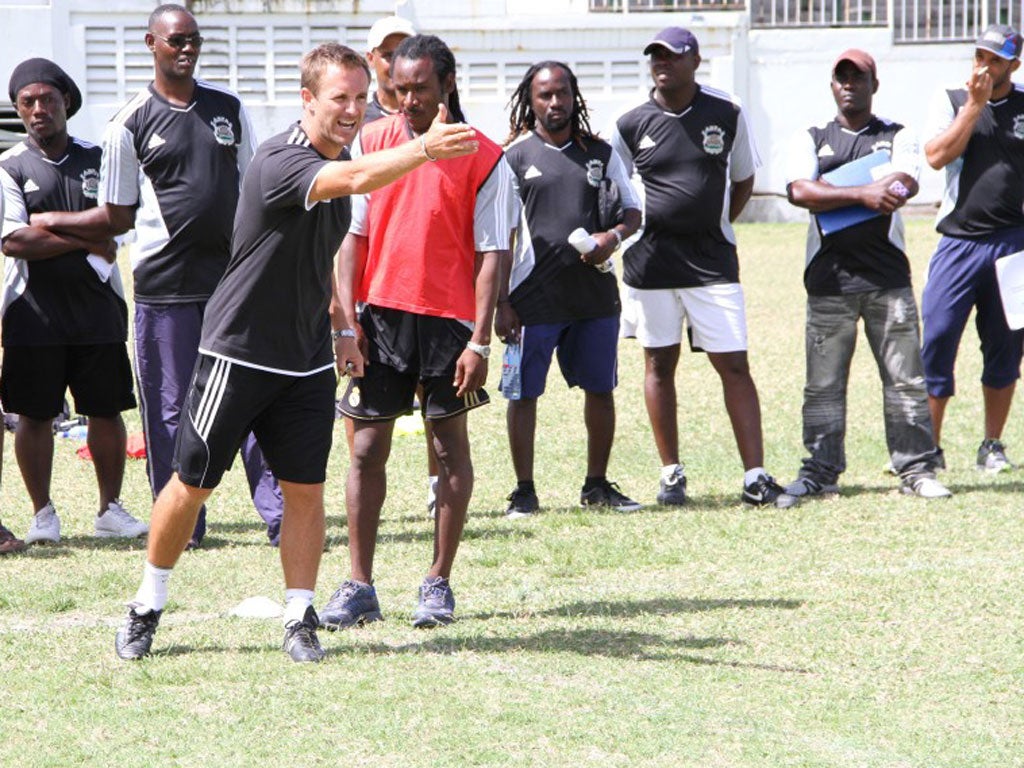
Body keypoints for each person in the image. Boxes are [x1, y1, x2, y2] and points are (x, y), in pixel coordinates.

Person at [112, 42, 480, 663]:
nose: (354, 110)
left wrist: (340, 326)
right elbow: (359, 179)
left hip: (306, 360)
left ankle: (298, 615)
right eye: (341, 98)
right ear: (307, 99)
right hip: (237, 354)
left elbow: (326, 253)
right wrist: (424, 149)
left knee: (305, 491)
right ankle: (147, 605)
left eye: (364, 98)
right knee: (192, 484)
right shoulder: (282, 160)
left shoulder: (339, 155)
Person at [325, 34, 511, 630]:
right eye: (399, 89)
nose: (406, 101)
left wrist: (479, 340)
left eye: (420, 89)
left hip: (449, 326)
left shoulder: (483, 154)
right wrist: (346, 322)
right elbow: (350, 237)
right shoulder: (371, 143)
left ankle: (438, 581)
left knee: (447, 449)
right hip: (378, 319)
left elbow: (492, 254)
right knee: (364, 449)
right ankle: (359, 585)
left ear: (447, 85)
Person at [98, 4, 283, 546]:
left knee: (252, 397)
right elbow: (117, 213)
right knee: (170, 409)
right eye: (175, 40)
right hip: (164, 290)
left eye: (194, 40)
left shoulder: (227, 107)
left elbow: (256, 188)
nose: (186, 49)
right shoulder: (129, 122)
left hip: (232, 285)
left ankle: (279, 515)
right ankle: (182, 524)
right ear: (151, 43)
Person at [608, 27, 795, 509]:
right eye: (655, 57)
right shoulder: (630, 122)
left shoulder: (726, 111)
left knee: (734, 364)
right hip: (649, 266)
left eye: (672, 56)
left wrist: (710, 225)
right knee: (658, 364)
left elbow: (744, 179)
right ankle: (671, 474)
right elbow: (616, 188)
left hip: (712, 263)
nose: (662, 64)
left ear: (695, 60)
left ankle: (755, 475)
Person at [782, 50, 950, 499]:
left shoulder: (898, 134)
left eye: (858, 77)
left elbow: (903, 184)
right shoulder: (812, 136)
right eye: (841, 78)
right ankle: (820, 471)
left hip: (888, 280)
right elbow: (799, 189)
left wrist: (834, 190)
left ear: (875, 85)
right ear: (832, 86)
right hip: (828, 281)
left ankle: (916, 470)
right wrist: (863, 193)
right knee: (822, 386)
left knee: (906, 381)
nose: (849, 85)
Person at [0, 58, 147, 544]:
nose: (38, 109)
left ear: (67, 102)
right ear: (19, 109)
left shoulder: (99, 158)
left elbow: (117, 221)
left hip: (96, 308)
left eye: (48, 99)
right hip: (32, 313)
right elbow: (15, 241)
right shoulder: (9, 166)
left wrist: (49, 223)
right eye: (28, 102)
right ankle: (43, 514)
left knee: (106, 409)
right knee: (35, 414)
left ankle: (109, 510)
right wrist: (83, 238)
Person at [498, 61, 642, 518]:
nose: (554, 103)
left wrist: (610, 238)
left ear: (574, 96)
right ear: (531, 100)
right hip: (532, 299)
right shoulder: (514, 158)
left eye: (562, 93)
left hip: (593, 298)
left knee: (600, 390)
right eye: (544, 95)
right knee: (523, 395)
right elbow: (496, 235)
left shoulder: (599, 153)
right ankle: (524, 491)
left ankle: (596, 485)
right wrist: (501, 301)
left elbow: (632, 212)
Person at [342, 14, 442, 518]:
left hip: (432, 295)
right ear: (373, 60)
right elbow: (349, 230)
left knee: (436, 406)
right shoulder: (357, 125)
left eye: (405, 52)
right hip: (376, 296)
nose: (394, 63)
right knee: (362, 410)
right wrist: (346, 311)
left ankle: (433, 483)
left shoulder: (439, 122)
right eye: (387, 53)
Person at [922, 23, 1024, 473]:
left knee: (1005, 347)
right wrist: (974, 107)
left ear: (1014, 66)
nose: (984, 65)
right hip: (959, 243)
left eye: (995, 59)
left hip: (1012, 245)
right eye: (980, 55)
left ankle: (992, 444)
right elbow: (936, 155)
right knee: (938, 338)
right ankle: (928, 448)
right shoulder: (950, 98)